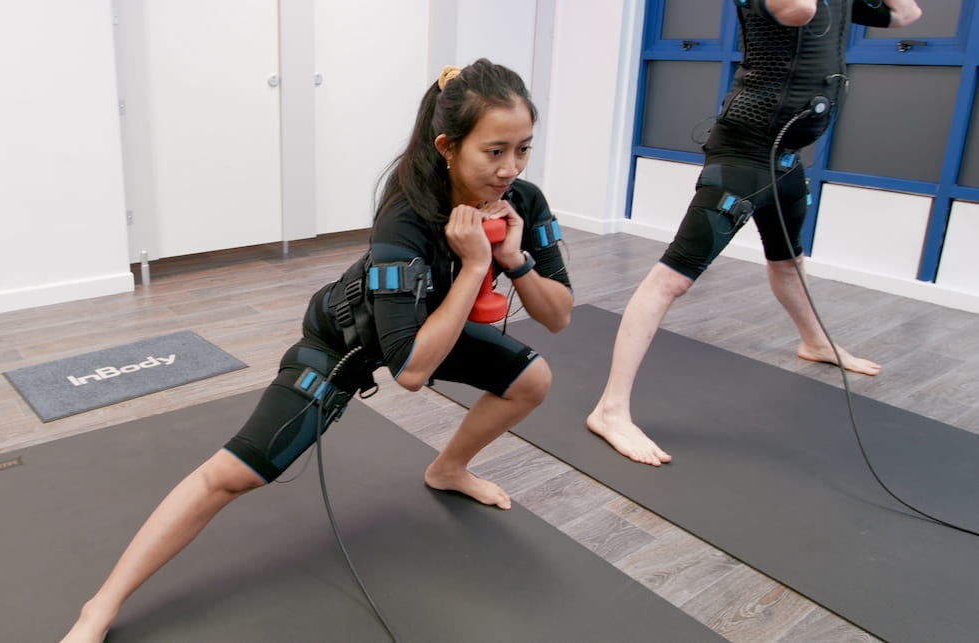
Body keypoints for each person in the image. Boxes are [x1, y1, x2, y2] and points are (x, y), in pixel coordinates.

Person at [61, 58, 574, 642]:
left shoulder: (523, 202)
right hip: (346, 344)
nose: (511, 168)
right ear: (448, 147)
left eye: (523, 150)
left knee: (532, 379)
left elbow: (558, 314)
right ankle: (98, 608)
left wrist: (514, 261)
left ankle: (447, 468)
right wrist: (476, 264)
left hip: (432, 328)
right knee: (232, 476)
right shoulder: (406, 217)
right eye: (495, 151)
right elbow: (410, 371)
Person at [587, 0, 923, 466]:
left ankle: (814, 342)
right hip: (743, 156)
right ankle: (610, 411)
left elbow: (906, 15)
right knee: (671, 280)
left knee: (788, 262)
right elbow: (798, 10)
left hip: (785, 160)